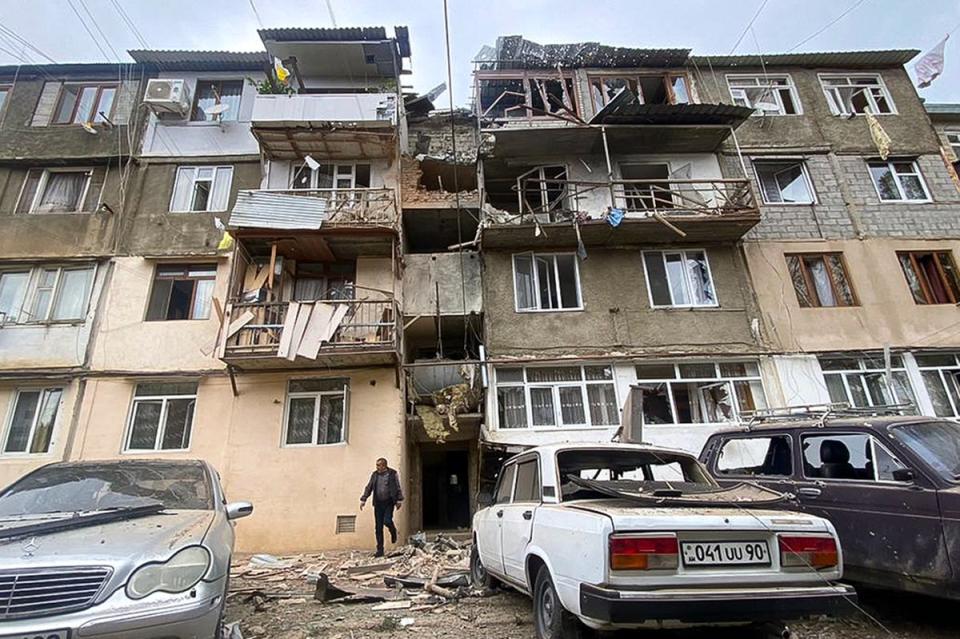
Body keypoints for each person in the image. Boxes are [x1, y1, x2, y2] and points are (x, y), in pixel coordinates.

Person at [360, 457, 403, 557]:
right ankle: (380, 550)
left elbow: (397, 486)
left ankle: (393, 531)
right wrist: (363, 499)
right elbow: (369, 487)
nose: (377, 467)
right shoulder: (375, 475)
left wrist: (399, 500)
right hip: (378, 503)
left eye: (379, 465)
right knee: (378, 527)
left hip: (389, 502)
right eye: (377, 465)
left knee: (387, 521)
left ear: (384, 465)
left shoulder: (392, 473)